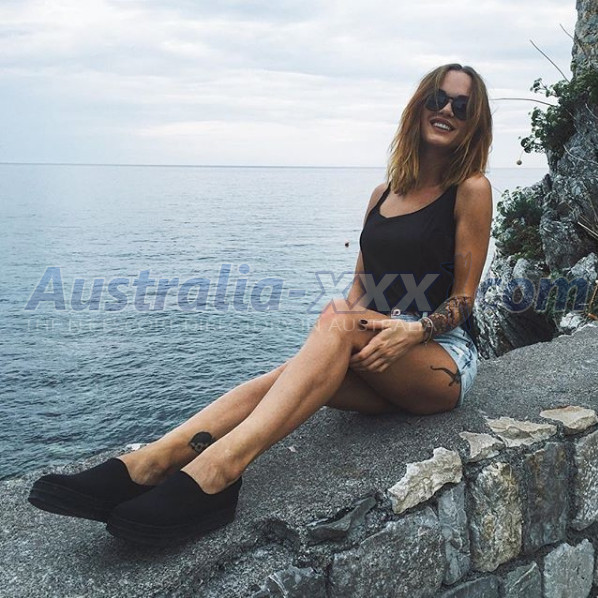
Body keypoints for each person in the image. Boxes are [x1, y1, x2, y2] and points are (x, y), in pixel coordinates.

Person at [28, 63, 493, 546]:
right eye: (438, 98)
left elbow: (464, 298)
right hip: (378, 353)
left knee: (337, 322)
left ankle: (217, 472)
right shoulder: (383, 194)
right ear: (419, 106)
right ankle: (151, 462)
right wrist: (333, 340)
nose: (446, 110)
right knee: (285, 376)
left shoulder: (471, 188)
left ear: (472, 123)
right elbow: (361, 290)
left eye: (461, 106)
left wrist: (413, 331)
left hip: (440, 359)